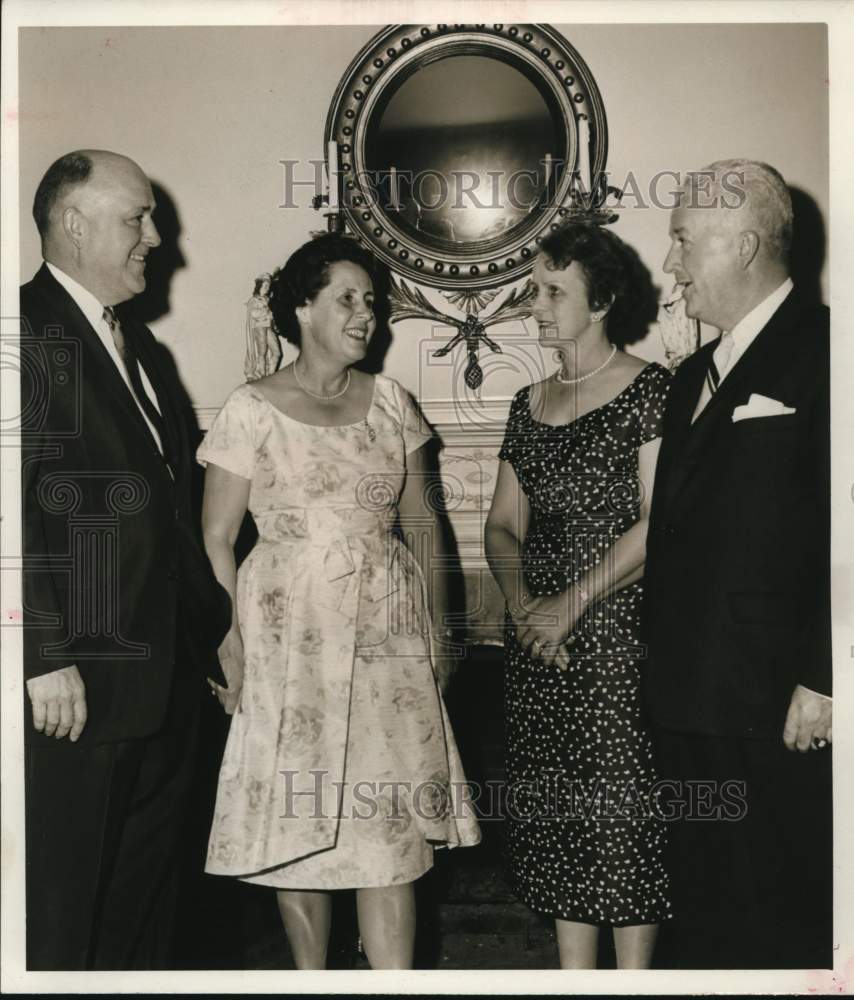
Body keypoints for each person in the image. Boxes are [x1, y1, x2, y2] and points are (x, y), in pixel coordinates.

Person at [197, 234, 480, 969]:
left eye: (372, 302)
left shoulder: (392, 403)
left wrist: (443, 631)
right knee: (298, 825)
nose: (367, 316)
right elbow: (218, 538)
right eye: (347, 299)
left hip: (389, 641)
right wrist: (226, 639)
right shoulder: (250, 408)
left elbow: (423, 523)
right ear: (302, 307)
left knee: (389, 837)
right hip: (286, 642)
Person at [20, 149, 230, 969]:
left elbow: (172, 517)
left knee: (144, 914)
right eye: (136, 217)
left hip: (164, 688)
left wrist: (214, 637)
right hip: (76, 693)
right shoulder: (21, 331)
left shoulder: (138, 346)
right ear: (73, 223)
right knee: (62, 913)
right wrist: (43, 658)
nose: (155, 236)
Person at [643, 159, 832, 969]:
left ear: (746, 245)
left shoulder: (829, 350)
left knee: (783, 917)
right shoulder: (691, 375)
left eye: (684, 241)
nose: (672, 265)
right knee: (709, 913)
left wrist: (825, 676)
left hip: (778, 705)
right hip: (688, 698)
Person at [484, 223, 672, 969]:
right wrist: (529, 601)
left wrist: (570, 605)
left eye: (553, 290)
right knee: (558, 820)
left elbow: (661, 524)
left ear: (603, 301)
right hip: (539, 648)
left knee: (620, 822)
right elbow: (501, 525)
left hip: (618, 642)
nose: (536, 304)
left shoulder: (651, 388)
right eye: (535, 288)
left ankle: (634, 983)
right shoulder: (527, 402)